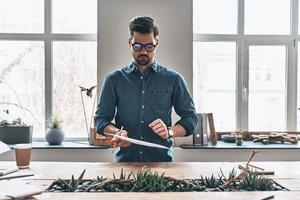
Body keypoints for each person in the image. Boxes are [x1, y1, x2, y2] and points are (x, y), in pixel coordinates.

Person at [95, 16, 197, 162]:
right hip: (125, 164)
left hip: (163, 165)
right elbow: (101, 120)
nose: (143, 52)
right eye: (137, 46)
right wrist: (117, 132)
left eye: (149, 46)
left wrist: (169, 131)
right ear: (130, 42)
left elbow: (191, 119)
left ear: (157, 43)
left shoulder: (174, 79)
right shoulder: (114, 79)